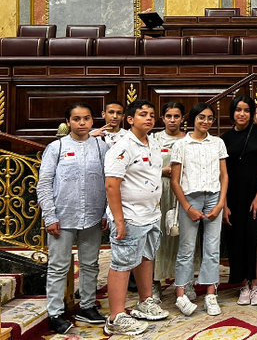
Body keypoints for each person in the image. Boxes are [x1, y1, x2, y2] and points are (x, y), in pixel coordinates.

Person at [37, 103, 109, 334]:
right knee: (59, 267)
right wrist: (49, 216)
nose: (82, 123)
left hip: (93, 215)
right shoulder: (56, 147)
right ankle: (55, 313)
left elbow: (110, 182)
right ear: (68, 122)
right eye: (76, 119)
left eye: (86, 118)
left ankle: (87, 306)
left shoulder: (101, 147)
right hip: (62, 216)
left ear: (92, 121)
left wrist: (107, 211)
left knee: (91, 264)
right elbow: (44, 184)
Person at [103, 99, 169, 336]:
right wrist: (119, 220)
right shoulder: (123, 146)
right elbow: (112, 184)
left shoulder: (153, 143)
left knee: (146, 257)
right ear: (130, 120)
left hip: (151, 213)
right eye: (143, 114)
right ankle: (116, 316)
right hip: (129, 215)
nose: (149, 118)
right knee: (121, 264)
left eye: (152, 114)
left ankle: (145, 301)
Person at [169, 103, 228, 317]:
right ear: (192, 119)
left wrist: (221, 203)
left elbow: (224, 176)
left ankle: (211, 294)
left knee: (212, 248)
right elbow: (175, 181)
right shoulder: (181, 145)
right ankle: (181, 293)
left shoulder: (218, 143)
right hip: (190, 198)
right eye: (201, 117)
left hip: (213, 196)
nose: (206, 121)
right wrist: (187, 207)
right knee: (186, 248)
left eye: (210, 118)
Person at [221, 95, 257, 306]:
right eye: (238, 110)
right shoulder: (225, 138)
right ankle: (243, 284)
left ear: (251, 113)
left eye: (246, 110)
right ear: (232, 113)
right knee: (238, 239)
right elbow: (222, 173)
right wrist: (224, 203)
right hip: (234, 194)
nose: (241, 114)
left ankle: (256, 285)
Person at [149, 101, 187, 302]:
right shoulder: (154, 139)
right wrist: (161, 171)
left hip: (182, 192)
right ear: (162, 118)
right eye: (169, 116)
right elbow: (143, 166)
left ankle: (185, 281)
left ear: (182, 118)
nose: (173, 120)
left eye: (177, 116)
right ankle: (154, 283)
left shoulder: (188, 139)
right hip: (160, 192)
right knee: (159, 237)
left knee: (183, 237)